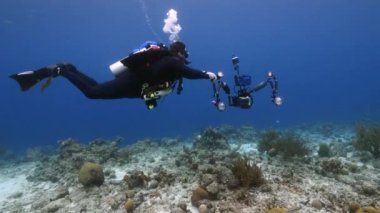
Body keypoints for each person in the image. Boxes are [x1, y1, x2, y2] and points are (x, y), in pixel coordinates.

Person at [10, 41, 217, 109]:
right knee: (92, 93)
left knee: (96, 89)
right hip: (132, 82)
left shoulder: (169, 63)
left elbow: (157, 89)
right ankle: (60, 70)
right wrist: (208, 75)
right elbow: (190, 73)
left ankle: (70, 69)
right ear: (180, 52)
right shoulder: (172, 60)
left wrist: (151, 101)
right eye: (185, 54)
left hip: (133, 86)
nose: (185, 58)